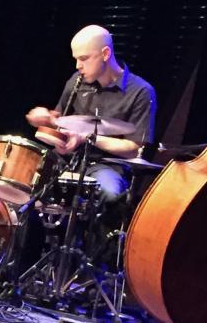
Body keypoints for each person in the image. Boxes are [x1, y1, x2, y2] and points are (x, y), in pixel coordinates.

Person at [25, 24, 156, 202]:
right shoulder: (76, 80)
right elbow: (59, 119)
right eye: (76, 59)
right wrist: (47, 119)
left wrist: (87, 137)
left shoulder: (141, 91)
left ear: (106, 54)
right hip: (67, 160)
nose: (78, 65)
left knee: (109, 195)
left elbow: (134, 149)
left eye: (84, 58)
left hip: (107, 165)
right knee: (24, 179)